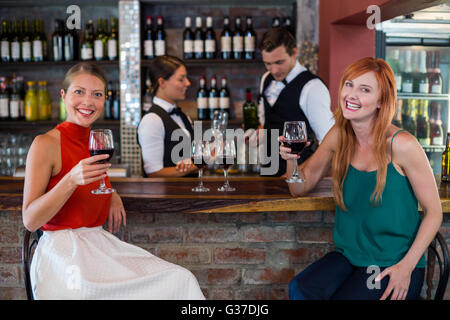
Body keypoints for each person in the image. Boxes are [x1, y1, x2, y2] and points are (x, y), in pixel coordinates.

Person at [22, 62, 205, 300]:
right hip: (63, 255)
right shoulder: (45, 143)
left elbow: (91, 185)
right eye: (79, 92)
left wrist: (111, 192)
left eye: (97, 94)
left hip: (99, 246)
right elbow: (30, 219)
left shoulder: (95, 141)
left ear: (104, 100)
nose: (88, 101)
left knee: (180, 279)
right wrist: (70, 180)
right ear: (63, 95)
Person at [280, 57, 442, 300]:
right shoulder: (339, 135)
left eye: (364, 89)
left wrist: (406, 267)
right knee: (300, 288)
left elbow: (434, 212)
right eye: (349, 84)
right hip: (350, 257)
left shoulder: (402, 145)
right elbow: (299, 188)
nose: (351, 94)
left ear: (381, 101)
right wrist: (291, 159)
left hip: (392, 262)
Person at [256, 27, 334, 176]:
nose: (273, 70)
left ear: (294, 53)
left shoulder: (313, 87)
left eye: (279, 62)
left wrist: (297, 172)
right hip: (268, 171)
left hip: (300, 176)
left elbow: (330, 144)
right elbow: (267, 120)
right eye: (268, 64)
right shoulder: (266, 79)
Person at [138, 55, 197, 177]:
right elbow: (154, 174)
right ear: (162, 82)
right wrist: (201, 163)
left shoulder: (182, 115)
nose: (188, 83)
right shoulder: (152, 120)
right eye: (181, 79)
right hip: (169, 195)